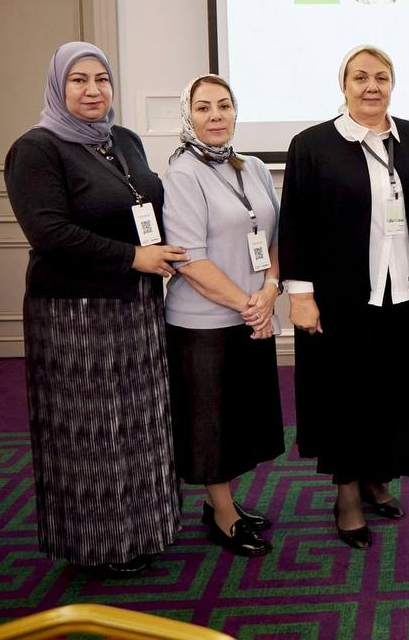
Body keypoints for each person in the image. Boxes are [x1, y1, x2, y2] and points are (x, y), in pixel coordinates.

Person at [5, 41, 185, 576]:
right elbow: (49, 232)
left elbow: (146, 206)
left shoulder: (122, 140)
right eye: (78, 80)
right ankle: (98, 545)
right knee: (91, 432)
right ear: (58, 86)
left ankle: (144, 529)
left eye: (101, 79)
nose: (92, 90)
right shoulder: (36, 149)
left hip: (137, 304)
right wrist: (134, 257)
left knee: (139, 424)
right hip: (75, 313)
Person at [279, 45, 409, 550]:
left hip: (404, 293)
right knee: (346, 399)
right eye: (360, 77)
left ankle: (379, 476)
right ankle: (348, 495)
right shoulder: (312, 144)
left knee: (393, 392)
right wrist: (300, 295)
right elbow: (296, 224)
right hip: (341, 299)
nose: (371, 86)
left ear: (392, 84)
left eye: (381, 77)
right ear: (344, 85)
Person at [161, 74, 286, 557]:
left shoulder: (252, 166)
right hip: (203, 323)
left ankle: (224, 503)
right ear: (188, 116)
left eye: (224, 105)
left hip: (252, 314)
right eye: (203, 107)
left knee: (240, 418)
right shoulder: (183, 173)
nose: (216, 115)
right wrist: (250, 306)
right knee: (211, 423)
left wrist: (270, 290)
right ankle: (222, 515)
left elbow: (275, 238)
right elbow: (189, 259)